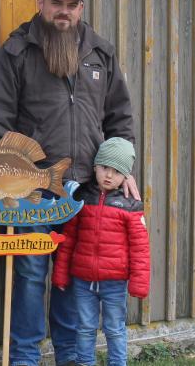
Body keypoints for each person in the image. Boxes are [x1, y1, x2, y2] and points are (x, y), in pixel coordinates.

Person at [0, 0, 137, 366]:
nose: (63, 13)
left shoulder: (100, 52)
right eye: (56, 4)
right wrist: (6, 183)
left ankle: (70, 357)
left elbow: (119, 118)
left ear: (80, 8)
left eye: (71, 5)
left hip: (86, 189)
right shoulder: (16, 52)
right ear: (41, 3)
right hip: (33, 194)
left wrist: (122, 167)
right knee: (31, 277)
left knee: (74, 279)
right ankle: (24, 359)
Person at [52, 138, 150, 366]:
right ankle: (85, 363)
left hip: (114, 282)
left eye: (117, 172)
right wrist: (61, 273)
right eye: (105, 167)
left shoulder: (130, 205)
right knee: (85, 328)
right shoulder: (82, 200)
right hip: (82, 281)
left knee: (114, 328)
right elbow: (68, 241)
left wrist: (139, 282)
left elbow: (140, 248)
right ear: (95, 166)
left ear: (126, 176)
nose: (109, 175)